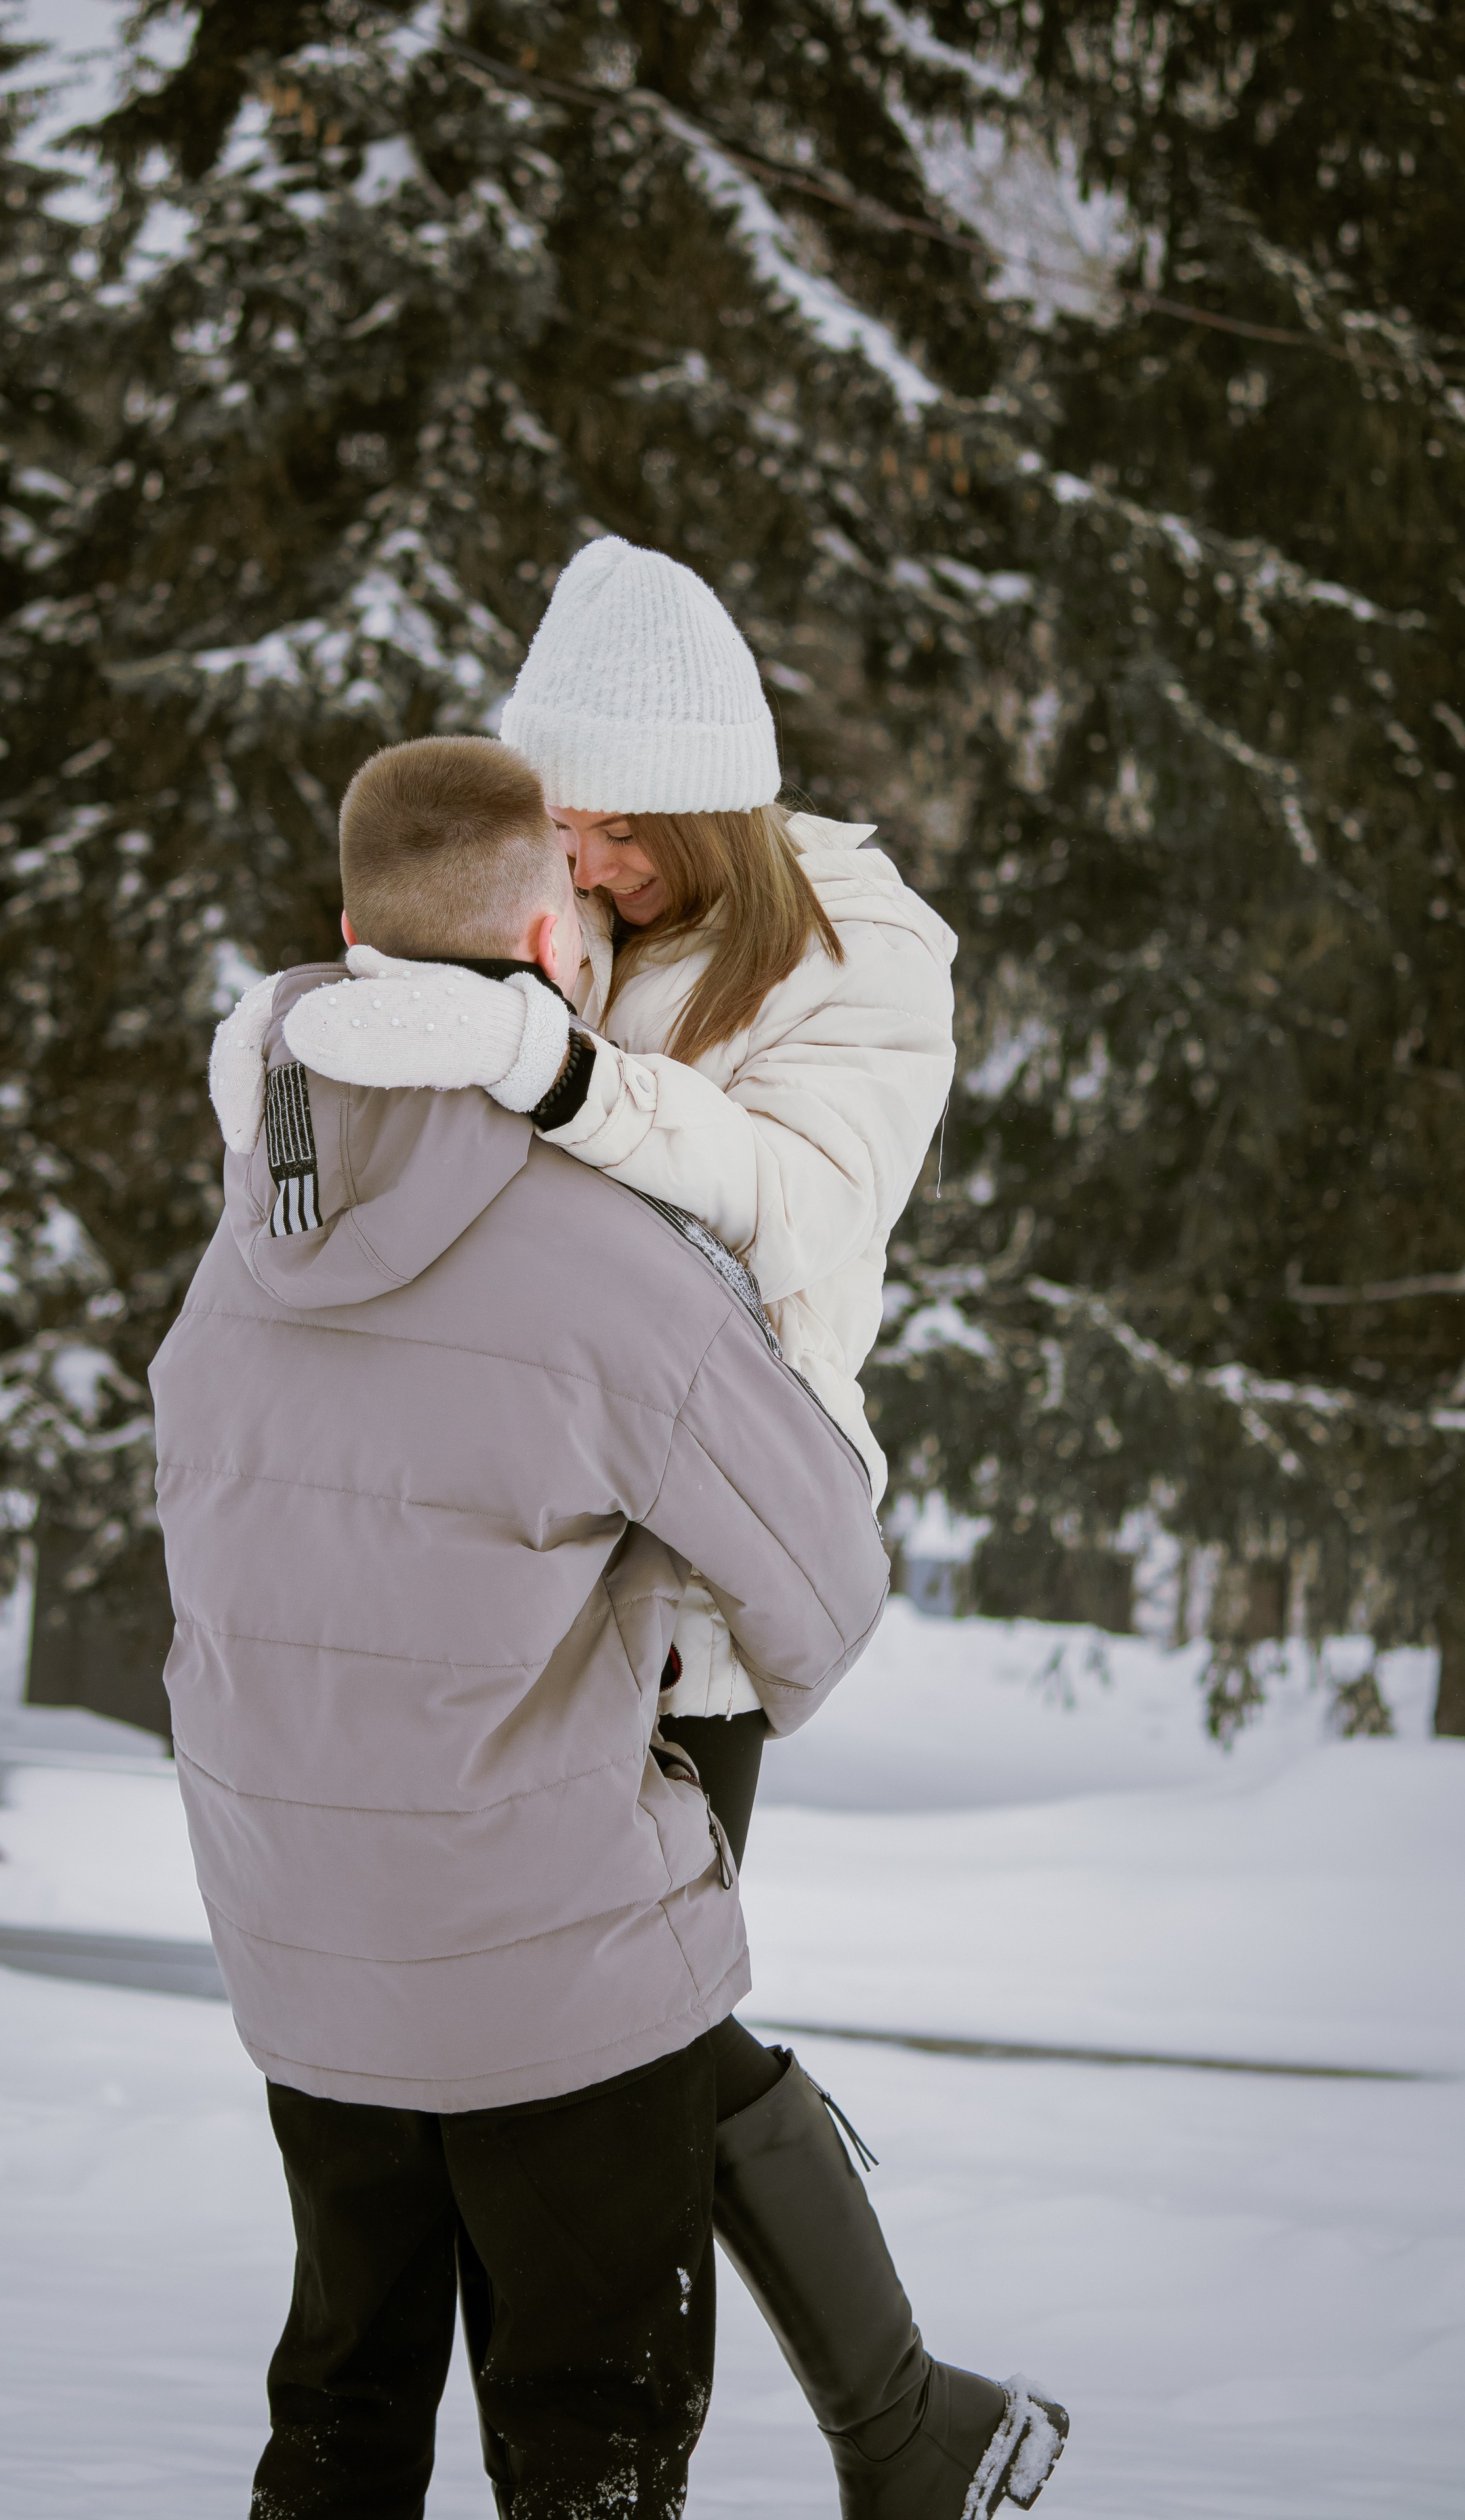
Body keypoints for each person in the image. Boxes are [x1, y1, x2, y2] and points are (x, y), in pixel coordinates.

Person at [276, 544, 1071, 2519]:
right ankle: (910, 2425)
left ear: (713, 804)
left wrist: (560, 1070)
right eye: (571, 828)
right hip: (516, 1568)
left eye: (623, 833)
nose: (591, 863)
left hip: (695, 1592)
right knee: (596, 2026)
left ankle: (894, 2424)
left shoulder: (863, 959)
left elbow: (800, 1210)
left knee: (603, 2041)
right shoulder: (586, 907)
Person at [159, 733, 892, 2519]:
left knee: (341, 2410)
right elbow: (826, 1595)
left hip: (300, 1952)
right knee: (591, 2440)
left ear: (351, 940)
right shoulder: (612, 1258)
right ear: (560, 952)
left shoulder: (249, 1235)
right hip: (556, 1972)